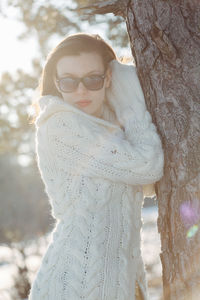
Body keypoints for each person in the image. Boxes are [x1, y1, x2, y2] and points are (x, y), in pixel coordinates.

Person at [28, 32, 164, 300]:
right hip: (75, 286)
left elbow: (147, 186)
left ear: (108, 78)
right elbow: (148, 166)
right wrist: (133, 105)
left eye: (93, 79)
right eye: (69, 82)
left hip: (118, 284)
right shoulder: (58, 126)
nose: (81, 91)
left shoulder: (107, 124)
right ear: (56, 82)